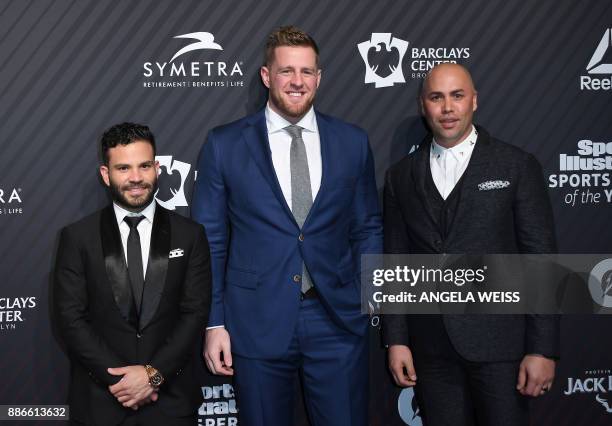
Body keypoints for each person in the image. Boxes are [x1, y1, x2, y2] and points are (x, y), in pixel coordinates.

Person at [191, 26, 382, 426]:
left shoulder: (352, 142)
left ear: (319, 77)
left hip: (336, 319)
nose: (297, 82)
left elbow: (367, 227)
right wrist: (214, 321)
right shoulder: (224, 144)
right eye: (286, 71)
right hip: (255, 321)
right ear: (266, 76)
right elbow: (209, 240)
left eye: (307, 72)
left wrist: (367, 298)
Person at [382, 63, 559, 426]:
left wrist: (542, 348)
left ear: (474, 101)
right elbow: (396, 261)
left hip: (501, 348)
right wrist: (396, 339)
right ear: (423, 105)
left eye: (457, 96)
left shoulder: (516, 166)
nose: (447, 107)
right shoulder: (400, 175)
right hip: (431, 351)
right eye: (437, 97)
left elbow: (540, 262)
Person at [54, 122, 211, 426]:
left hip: (171, 402)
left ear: (157, 168)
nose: (136, 178)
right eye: (123, 168)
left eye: (144, 166)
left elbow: (195, 313)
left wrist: (152, 375)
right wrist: (125, 382)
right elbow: (70, 318)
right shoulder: (78, 238)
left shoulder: (190, 235)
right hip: (102, 400)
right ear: (106, 174)